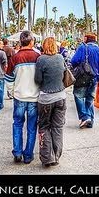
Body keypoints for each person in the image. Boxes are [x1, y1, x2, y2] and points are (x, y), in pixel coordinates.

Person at [5, 30, 40, 164]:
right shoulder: (38, 56)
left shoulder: (15, 57)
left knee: (18, 124)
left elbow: (8, 78)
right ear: (32, 41)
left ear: (20, 41)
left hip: (19, 97)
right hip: (34, 98)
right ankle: (28, 155)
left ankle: (17, 152)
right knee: (31, 127)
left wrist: (12, 92)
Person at [34, 37, 67, 167]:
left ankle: (48, 157)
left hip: (46, 98)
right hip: (61, 97)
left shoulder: (41, 59)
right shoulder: (60, 57)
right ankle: (57, 155)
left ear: (43, 46)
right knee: (58, 127)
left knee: (44, 127)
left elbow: (37, 79)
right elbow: (64, 74)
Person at [70, 32, 99, 129]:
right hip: (94, 77)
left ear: (86, 38)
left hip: (82, 77)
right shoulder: (98, 49)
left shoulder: (82, 47)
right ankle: (90, 120)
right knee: (90, 99)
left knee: (79, 96)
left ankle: (85, 117)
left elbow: (74, 61)